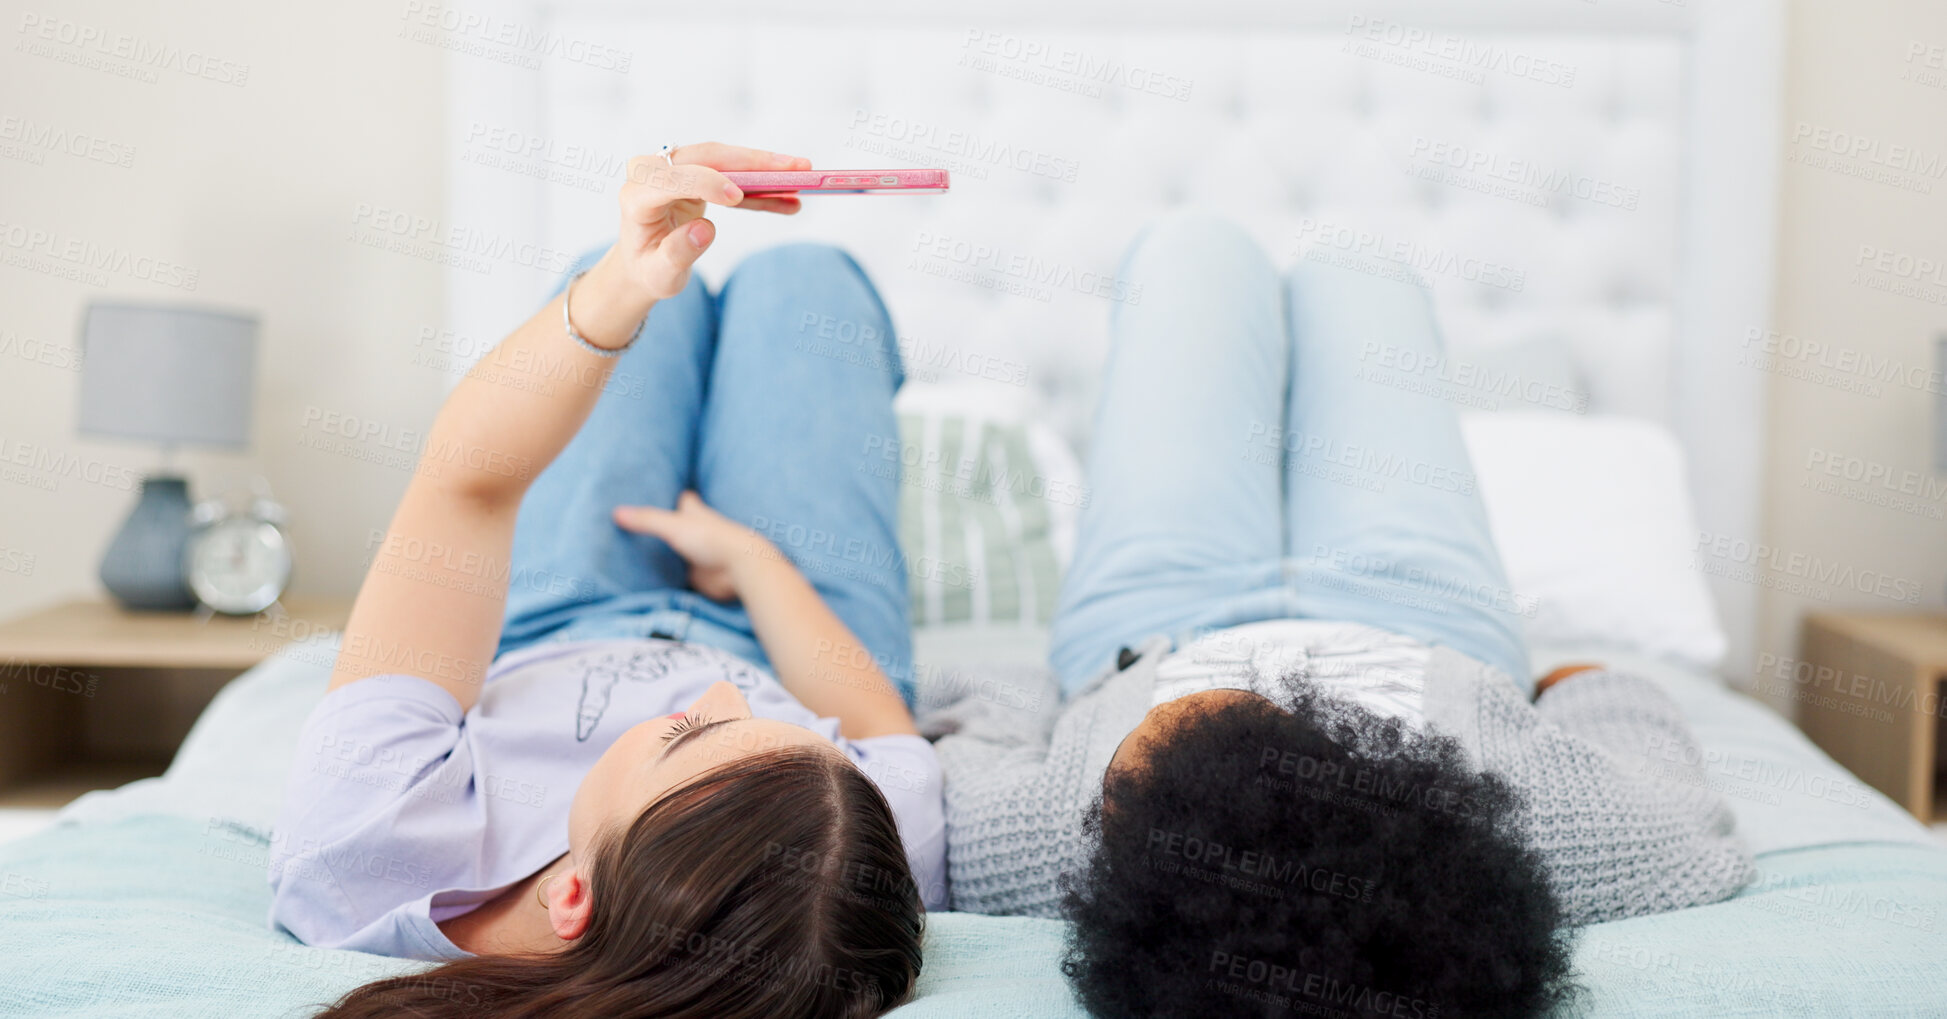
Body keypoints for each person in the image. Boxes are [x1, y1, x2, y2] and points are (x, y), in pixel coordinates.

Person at [933, 214, 1755, 1018]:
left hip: (1153, 607)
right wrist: (1565, 679)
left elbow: (989, 715)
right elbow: (1660, 772)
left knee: (1189, 251)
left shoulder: (1036, 851)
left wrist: (1058, 693)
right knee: (1360, 270)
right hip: (1424, 606)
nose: (1129, 783)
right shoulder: (1544, 830)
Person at [267, 142, 943, 1019]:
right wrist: (754, 562)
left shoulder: (361, 845)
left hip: (563, 609)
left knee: (633, 281)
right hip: (793, 620)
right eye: (802, 733)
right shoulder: (856, 869)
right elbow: (877, 722)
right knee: (806, 281)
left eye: (682, 734)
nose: (718, 688)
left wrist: (625, 279)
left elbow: (467, 484)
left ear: (572, 897)